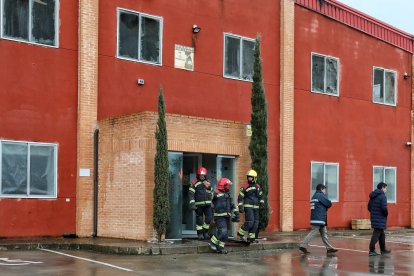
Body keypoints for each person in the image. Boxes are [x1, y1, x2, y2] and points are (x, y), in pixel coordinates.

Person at [299, 184, 338, 254]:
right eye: (324, 189)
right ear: (321, 189)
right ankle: (303, 245)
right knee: (313, 232)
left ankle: (329, 248)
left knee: (324, 234)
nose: (325, 191)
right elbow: (329, 204)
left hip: (318, 218)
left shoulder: (314, 196)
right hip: (319, 219)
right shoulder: (320, 195)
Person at [209, 178, 239, 254]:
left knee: (225, 235)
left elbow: (232, 205)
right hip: (219, 216)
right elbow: (210, 198)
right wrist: (210, 190)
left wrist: (236, 213)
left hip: (226, 217)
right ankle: (212, 243)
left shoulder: (227, 195)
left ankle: (219, 249)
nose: (228, 187)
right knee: (222, 231)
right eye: (228, 185)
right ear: (224, 186)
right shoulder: (216, 194)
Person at [237, 169, 264, 243]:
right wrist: (240, 206)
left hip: (256, 208)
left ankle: (251, 238)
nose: (249, 178)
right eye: (248, 177)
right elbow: (240, 197)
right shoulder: (245, 186)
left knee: (256, 223)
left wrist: (262, 203)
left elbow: (261, 197)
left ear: (254, 178)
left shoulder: (258, 187)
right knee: (250, 222)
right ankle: (240, 233)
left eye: (251, 177)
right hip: (248, 207)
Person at [189, 167, 213, 240]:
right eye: (200, 175)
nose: (202, 176)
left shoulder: (208, 182)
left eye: (203, 175)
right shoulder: (194, 182)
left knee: (209, 218)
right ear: (198, 175)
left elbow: (211, 193)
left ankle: (205, 232)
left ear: (205, 175)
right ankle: (200, 234)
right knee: (199, 219)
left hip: (208, 204)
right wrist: (192, 203)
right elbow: (190, 193)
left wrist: (208, 188)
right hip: (198, 204)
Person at [368, 182, 391, 256]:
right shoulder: (382, 196)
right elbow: (384, 208)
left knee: (382, 234)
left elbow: (369, 207)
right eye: (386, 188)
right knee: (376, 234)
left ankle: (383, 250)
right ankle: (371, 250)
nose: (386, 190)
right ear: (382, 188)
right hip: (380, 218)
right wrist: (386, 214)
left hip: (374, 217)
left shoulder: (373, 195)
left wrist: (374, 212)